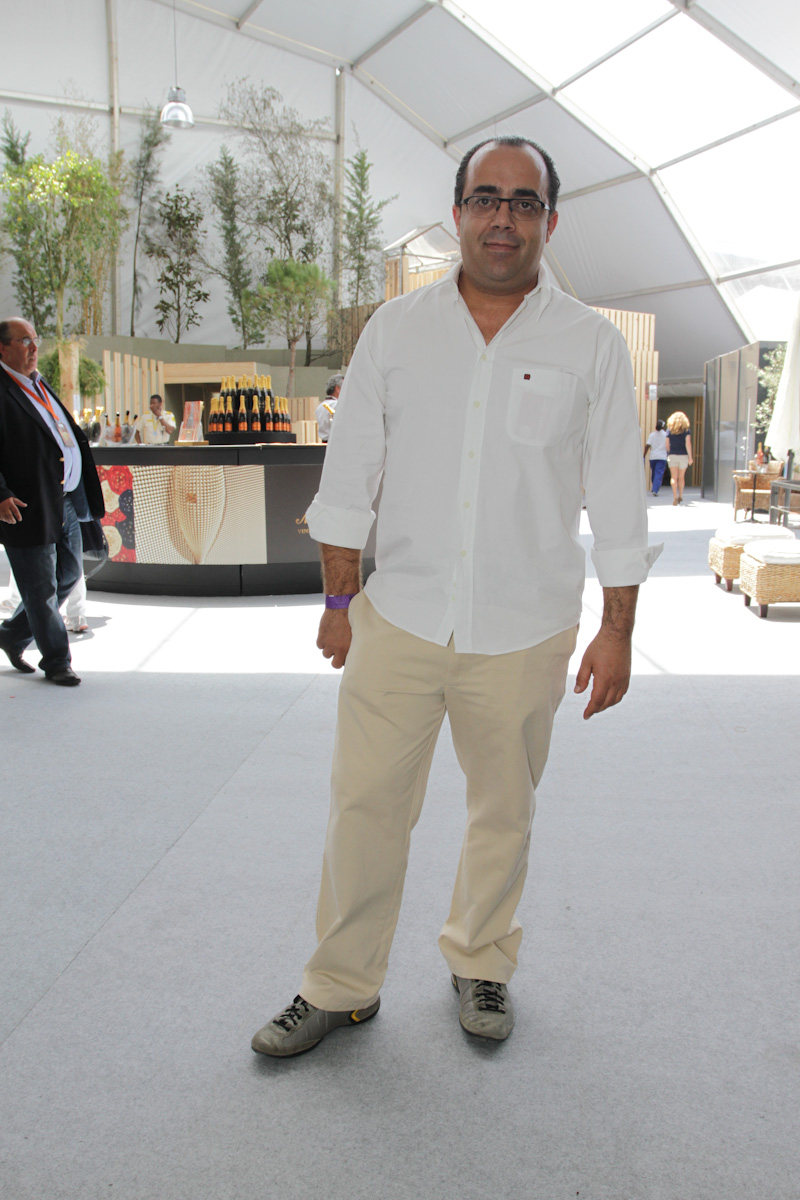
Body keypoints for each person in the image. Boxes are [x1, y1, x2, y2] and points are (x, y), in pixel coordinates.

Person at [251, 136, 660, 1058]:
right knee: (363, 805)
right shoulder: (396, 331)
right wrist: (339, 605)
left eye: (523, 202)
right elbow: (350, 477)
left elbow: (618, 498)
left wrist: (619, 630)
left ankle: (481, 961)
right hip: (398, 617)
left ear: (550, 221)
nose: (503, 218)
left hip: (524, 626)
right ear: (458, 213)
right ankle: (340, 985)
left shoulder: (590, 345)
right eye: (486, 198)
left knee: (502, 810)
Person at [0, 317, 104, 685]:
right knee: (39, 587)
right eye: (24, 341)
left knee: (70, 574)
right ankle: (57, 661)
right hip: (25, 504)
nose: (33, 347)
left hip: (64, 498)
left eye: (34, 339)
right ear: (2, 348)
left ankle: (11, 634)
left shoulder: (38, 383)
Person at [666, 411, 693, 505]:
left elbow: (667, 444)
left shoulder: (669, 430)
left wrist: (669, 452)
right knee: (681, 477)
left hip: (672, 455)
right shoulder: (686, 430)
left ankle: (674, 497)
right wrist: (690, 457)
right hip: (683, 456)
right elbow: (688, 444)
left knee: (673, 477)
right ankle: (680, 495)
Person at [315, 374, 344, 443]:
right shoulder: (339, 405)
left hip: (324, 443)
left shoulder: (320, 407)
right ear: (337, 389)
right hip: (338, 442)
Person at [643, 419, 668, 496]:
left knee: (654, 473)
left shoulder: (652, 435)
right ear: (663, 427)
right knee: (659, 473)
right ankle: (655, 489)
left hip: (653, 457)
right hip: (662, 457)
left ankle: (654, 487)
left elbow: (647, 446)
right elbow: (668, 446)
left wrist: (643, 456)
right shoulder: (666, 435)